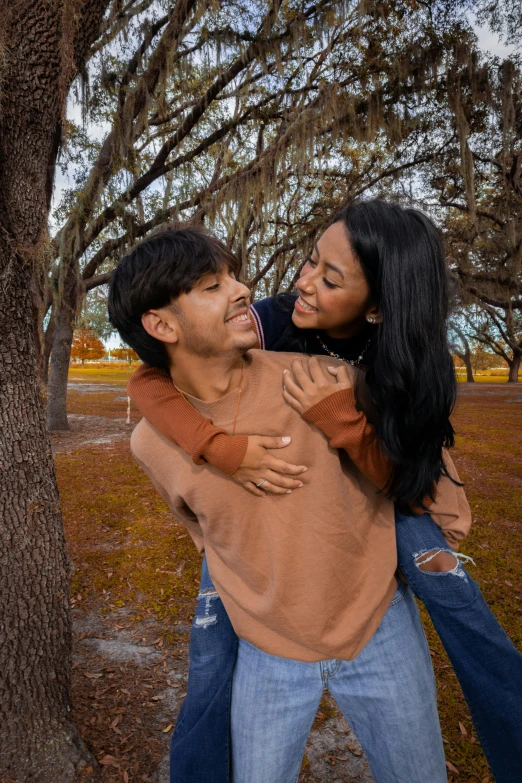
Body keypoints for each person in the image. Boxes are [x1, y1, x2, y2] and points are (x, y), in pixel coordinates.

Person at [125, 202, 522, 783]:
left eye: (330, 278)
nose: (300, 283)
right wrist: (217, 449)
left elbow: (425, 486)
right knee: (210, 658)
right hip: (265, 625)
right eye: (310, 262)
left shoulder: (390, 373)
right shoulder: (279, 319)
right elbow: (149, 377)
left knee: (445, 579)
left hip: (382, 557)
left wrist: (348, 422)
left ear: (380, 307)